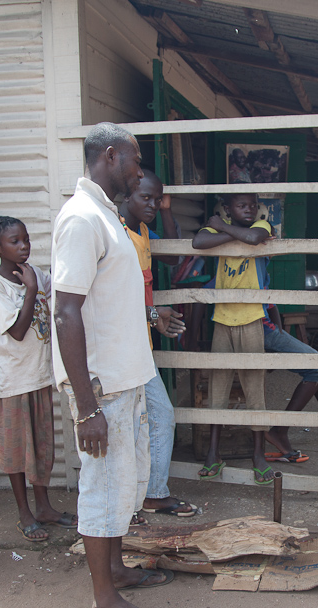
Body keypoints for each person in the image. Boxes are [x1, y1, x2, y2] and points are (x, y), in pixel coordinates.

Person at [52, 121, 172, 608]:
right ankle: (105, 603)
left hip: (128, 377)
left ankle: (117, 571)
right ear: (108, 156)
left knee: (125, 483)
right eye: (135, 160)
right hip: (103, 388)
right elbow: (65, 313)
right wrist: (86, 407)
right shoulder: (80, 219)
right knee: (102, 489)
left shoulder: (104, 215)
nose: (139, 170)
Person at [0, 216, 75, 543]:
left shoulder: (34, 273)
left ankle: (45, 507)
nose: (23, 247)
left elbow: (61, 286)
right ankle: (25, 514)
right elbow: (19, 332)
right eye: (14, 242)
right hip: (15, 382)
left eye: (25, 240)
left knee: (42, 448)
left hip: (39, 378)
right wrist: (32, 290)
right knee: (18, 452)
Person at [119, 172, 197, 518]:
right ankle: (143, 496)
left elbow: (171, 258)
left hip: (139, 345)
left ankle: (149, 493)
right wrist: (153, 313)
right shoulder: (119, 235)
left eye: (157, 199)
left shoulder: (143, 231)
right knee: (149, 418)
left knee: (152, 418)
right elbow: (112, 298)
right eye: (145, 198)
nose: (151, 205)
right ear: (126, 195)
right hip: (121, 349)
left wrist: (165, 209)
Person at [192, 192, 275, 485]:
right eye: (242, 206)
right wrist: (229, 232)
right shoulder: (214, 229)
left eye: (252, 205)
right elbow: (198, 242)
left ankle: (258, 456)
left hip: (251, 318)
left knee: (255, 389)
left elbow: (253, 238)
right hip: (222, 319)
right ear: (228, 209)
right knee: (218, 388)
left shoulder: (262, 226)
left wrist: (224, 229)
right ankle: (213, 454)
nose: (250, 209)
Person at [262, 304, 318, 462]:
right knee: (315, 364)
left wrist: (279, 331)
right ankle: (280, 430)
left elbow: (271, 306)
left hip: (269, 330)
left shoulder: (262, 278)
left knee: (316, 366)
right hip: (261, 332)